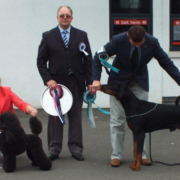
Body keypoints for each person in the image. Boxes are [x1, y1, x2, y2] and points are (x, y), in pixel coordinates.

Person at [92, 25, 180, 167]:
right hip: (119, 85)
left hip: (140, 83)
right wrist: (96, 79)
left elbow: (166, 62)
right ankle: (117, 156)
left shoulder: (152, 42)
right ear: (128, 36)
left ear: (145, 37)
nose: (138, 47)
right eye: (134, 44)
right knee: (117, 120)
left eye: (141, 44)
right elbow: (98, 57)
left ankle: (142, 155)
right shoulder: (117, 40)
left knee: (142, 122)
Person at [37, 6, 94, 161]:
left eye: (67, 15)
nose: (64, 18)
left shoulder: (82, 35)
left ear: (71, 18)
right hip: (56, 84)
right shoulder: (48, 36)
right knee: (55, 116)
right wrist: (48, 79)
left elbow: (88, 61)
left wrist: (90, 82)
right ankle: (54, 149)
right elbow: (41, 61)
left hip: (76, 81)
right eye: (62, 15)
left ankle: (76, 148)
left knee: (75, 115)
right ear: (57, 18)